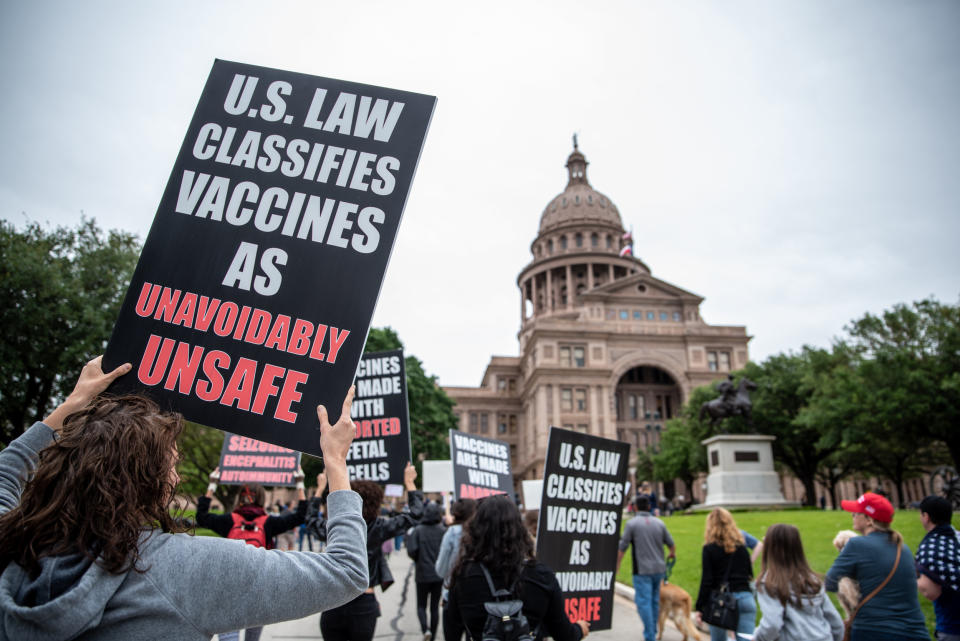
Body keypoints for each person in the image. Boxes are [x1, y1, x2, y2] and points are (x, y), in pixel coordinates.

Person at [0, 356, 367, 641]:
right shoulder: (188, 568)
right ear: (147, 483)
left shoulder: (13, 543)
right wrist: (335, 460)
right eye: (172, 466)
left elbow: (6, 473)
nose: (176, 476)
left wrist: (73, 403)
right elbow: (347, 571)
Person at [443, 495, 589, 641]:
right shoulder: (541, 575)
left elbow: (451, 632)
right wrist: (579, 629)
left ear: (476, 530)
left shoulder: (463, 575)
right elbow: (564, 634)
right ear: (519, 528)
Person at [307, 462, 422, 641]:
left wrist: (320, 489)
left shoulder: (335, 528)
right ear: (376, 503)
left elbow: (312, 521)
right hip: (364, 600)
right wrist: (410, 483)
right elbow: (415, 515)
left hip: (334, 599)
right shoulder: (380, 527)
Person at [199, 470, 309, 641]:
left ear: (239, 498)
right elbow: (300, 516)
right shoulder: (269, 523)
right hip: (259, 587)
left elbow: (201, 517)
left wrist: (212, 484)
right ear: (262, 498)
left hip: (229, 586)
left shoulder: (229, 521)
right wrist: (300, 483)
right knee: (252, 637)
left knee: (229, 635)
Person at [825, 492, 928, 641]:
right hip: (915, 632)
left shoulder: (856, 544)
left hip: (874, 631)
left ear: (869, 520)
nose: (852, 515)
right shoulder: (902, 549)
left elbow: (830, 583)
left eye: (856, 513)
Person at [753, 523, 844, 641]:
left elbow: (772, 624)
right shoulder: (813, 580)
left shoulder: (769, 583)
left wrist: (758, 638)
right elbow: (835, 622)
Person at [616, 495, 675, 641]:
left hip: (642, 570)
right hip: (659, 569)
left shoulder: (632, 524)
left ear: (635, 507)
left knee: (643, 602)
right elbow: (671, 544)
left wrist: (617, 566)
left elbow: (622, 548)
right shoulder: (659, 523)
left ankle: (650, 635)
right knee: (654, 601)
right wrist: (671, 555)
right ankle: (653, 630)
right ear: (649, 507)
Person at [694, 508, 756, 641]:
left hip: (721, 601)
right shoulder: (741, 546)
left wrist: (700, 607)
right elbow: (749, 573)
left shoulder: (709, 549)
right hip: (746, 598)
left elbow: (707, 581)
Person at [916, 495, 960, 641]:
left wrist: (914, 576)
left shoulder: (930, 547)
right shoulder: (956, 538)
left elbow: (930, 591)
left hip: (952, 626)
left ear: (926, 517)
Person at [407, 502, 446, 641]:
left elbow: (412, 550)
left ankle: (425, 630)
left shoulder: (418, 530)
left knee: (421, 605)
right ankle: (433, 636)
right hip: (438, 574)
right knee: (434, 607)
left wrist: (418, 559)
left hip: (422, 573)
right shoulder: (442, 531)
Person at [435, 498, 477, 604]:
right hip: (479, 593)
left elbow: (441, 570)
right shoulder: (483, 531)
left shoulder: (453, 532)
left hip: (453, 592)